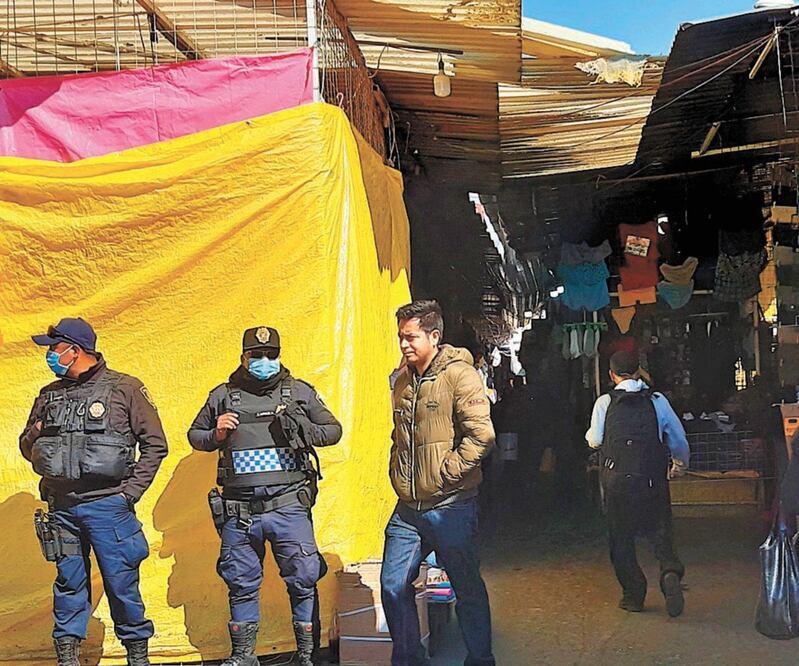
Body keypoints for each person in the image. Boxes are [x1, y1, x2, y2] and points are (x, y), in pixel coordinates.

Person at [187, 326, 341, 666]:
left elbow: (333, 431)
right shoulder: (223, 396)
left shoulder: (298, 392)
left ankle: (307, 656)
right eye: (257, 355)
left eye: (271, 354)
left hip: (288, 505)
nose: (264, 360)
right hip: (239, 511)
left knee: (303, 579)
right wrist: (216, 434)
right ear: (243, 358)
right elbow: (194, 436)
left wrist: (302, 427)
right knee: (240, 582)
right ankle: (244, 656)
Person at [19, 317, 168, 666]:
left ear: (75, 350)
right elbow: (26, 448)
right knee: (68, 584)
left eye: (55, 349)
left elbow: (155, 445)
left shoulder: (125, 389)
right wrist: (36, 430)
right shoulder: (49, 395)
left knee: (121, 585)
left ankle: (138, 658)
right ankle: (68, 659)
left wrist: (129, 494)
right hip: (61, 509)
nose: (50, 355)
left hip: (108, 507)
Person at [381, 300, 496, 666]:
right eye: (400, 337)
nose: (404, 344)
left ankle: (481, 659)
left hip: (451, 506)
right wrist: (398, 470)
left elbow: (482, 437)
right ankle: (409, 659)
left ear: (434, 336)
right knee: (392, 585)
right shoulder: (402, 379)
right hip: (408, 509)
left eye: (411, 337)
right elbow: (400, 436)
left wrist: (446, 474)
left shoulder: (460, 375)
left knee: (467, 587)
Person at [585, 350, 690, 616]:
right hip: (652, 480)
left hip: (617, 483)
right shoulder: (657, 401)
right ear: (638, 371)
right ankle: (669, 572)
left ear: (611, 375)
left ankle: (633, 595)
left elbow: (595, 440)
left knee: (621, 540)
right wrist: (679, 466)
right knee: (660, 531)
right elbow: (679, 440)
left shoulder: (604, 403)